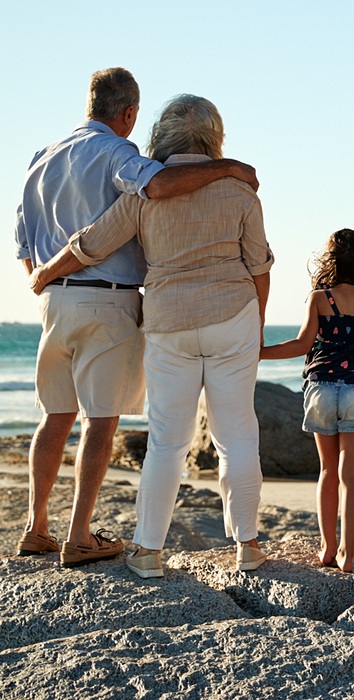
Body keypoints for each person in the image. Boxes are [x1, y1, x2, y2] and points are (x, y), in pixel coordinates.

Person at [15, 69, 259, 568]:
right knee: (113, 422)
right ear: (127, 114)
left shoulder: (42, 157)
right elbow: (166, 188)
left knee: (72, 419)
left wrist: (43, 278)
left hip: (68, 302)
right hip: (128, 302)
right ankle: (85, 534)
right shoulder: (129, 161)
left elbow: (44, 241)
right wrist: (229, 167)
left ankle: (57, 532)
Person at [260, 229, 354, 571]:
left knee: (327, 471)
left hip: (321, 388)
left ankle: (327, 549)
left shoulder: (320, 298)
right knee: (353, 474)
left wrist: (259, 352)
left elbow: (301, 345)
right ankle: (349, 553)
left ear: (330, 260)